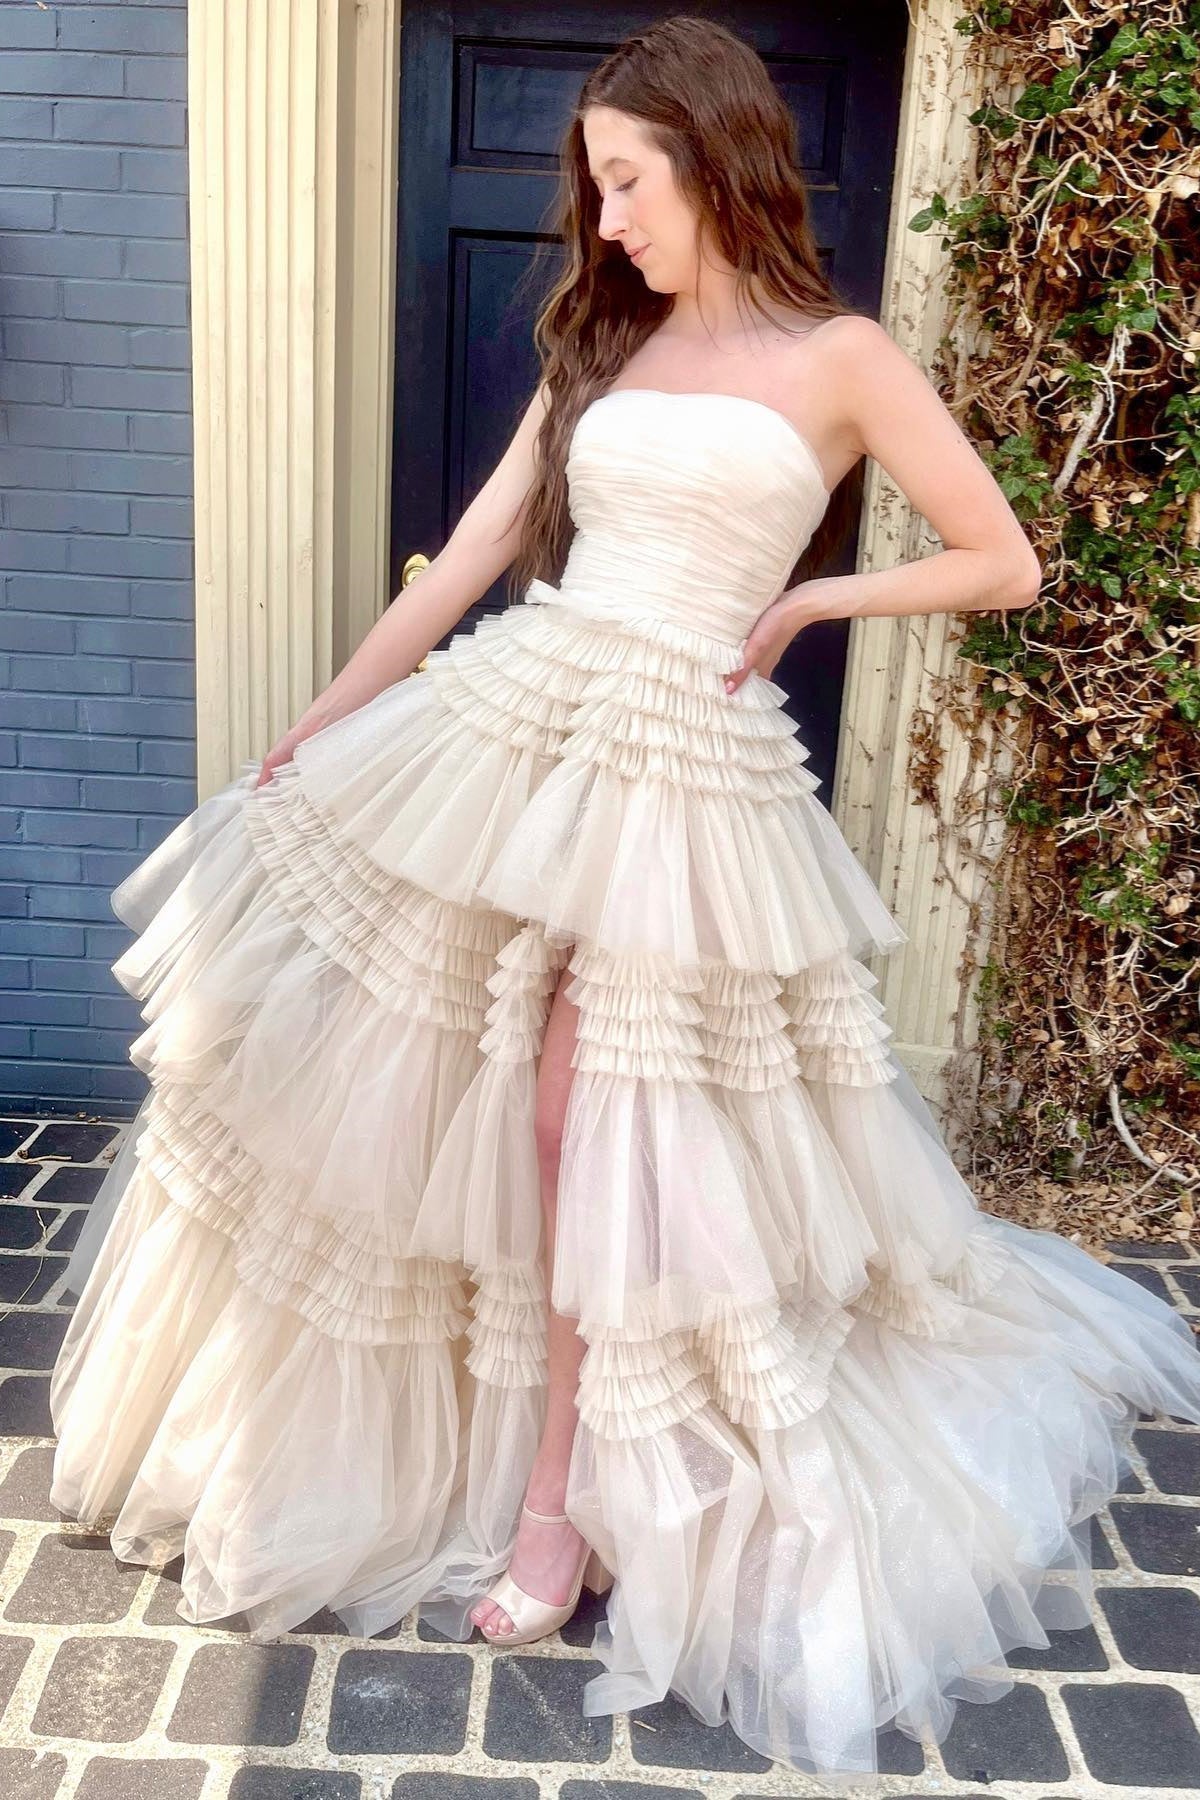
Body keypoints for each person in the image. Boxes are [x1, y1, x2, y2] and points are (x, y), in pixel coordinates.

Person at [48, 14, 1200, 1781]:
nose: (608, 220)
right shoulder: (603, 344)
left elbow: (1007, 560)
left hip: (685, 776)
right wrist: (319, 726)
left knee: (585, 1120)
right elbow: (479, 549)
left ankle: (559, 1502)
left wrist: (813, 604)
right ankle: (471, 1449)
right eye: (597, 187)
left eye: (628, 182)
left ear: (716, 159)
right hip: (527, 727)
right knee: (459, 1098)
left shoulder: (841, 357)